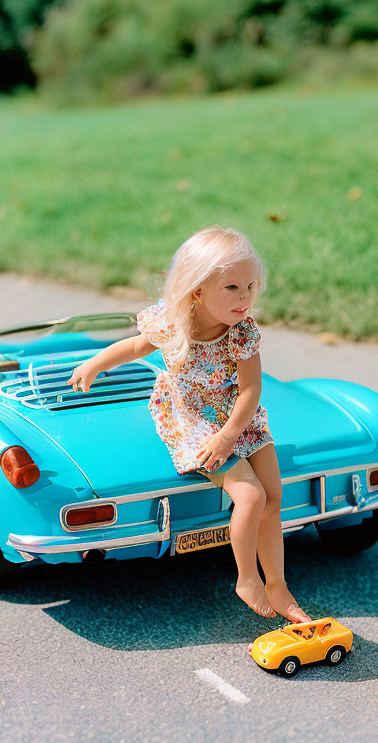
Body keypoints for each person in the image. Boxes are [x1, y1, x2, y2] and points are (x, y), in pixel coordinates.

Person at [66, 225, 310, 624]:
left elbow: (251, 391)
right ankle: (247, 578)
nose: (245, 297)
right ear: (197, 290)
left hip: (236, 414)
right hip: (190, 415)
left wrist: (231, 433)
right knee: (250, 496)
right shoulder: (172, 323)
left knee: (273, 497)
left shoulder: (242, 332)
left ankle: (277, 584)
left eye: (251, 286)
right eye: (232, 288)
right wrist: (95, 363)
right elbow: (133, 347)